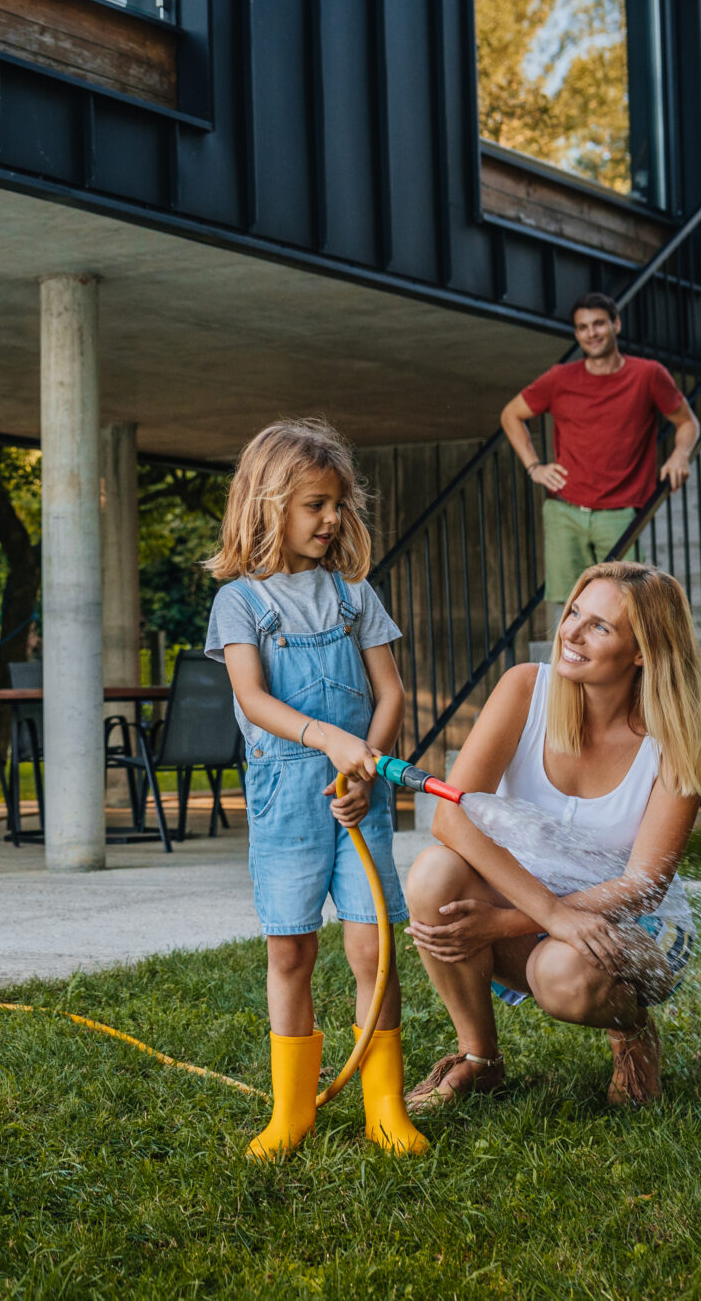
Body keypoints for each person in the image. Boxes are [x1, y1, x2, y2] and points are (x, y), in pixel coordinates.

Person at [400, 561, 701, 1109]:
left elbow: (644, 884)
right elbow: (449, 817)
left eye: (599, 625)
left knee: (562, 975)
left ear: (642, 652)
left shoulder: (673, 740)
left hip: (635, 927)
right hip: (542, 905)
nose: (570, 632)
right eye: (574, 611)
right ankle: (479, 1059)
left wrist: (510, 921)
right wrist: (549, 915)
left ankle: (633, 1031)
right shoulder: (525, 689)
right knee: (435, 874)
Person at [202, 418, 426, 1158]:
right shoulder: (240, 602)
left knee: (373, 949)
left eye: (338, 504)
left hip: (358, 795)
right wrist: (329, 738)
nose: (332, 519)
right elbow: (254, 699)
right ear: (268, 505)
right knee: (291, 952)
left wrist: (367, 766)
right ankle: (291, 1111)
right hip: (286, 798)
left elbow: (389, 694)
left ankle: (384, 1105)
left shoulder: (356, 594)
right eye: (315, 504)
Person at [500, 291, 700, 606]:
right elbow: (511, 414)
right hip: (565, 510)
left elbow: (687, 422)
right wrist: (534, 466)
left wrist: (680, 454)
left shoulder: (648, 375)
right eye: (582, 327)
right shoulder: (559, 378)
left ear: (616, 324)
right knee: (566, 606)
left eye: (598, 324)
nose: (591, 333)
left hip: (621, 513)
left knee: (631, 603)